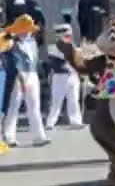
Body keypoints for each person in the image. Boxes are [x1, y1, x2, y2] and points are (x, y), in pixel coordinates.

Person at [2, 15, 48, 147]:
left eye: (29, 29)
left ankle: (39, 136)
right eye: (25, 29)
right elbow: (14, 63)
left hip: (32, 75)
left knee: (34, 107)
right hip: (17, 76)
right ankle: (9, 136)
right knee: (13, 107)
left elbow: (34, 60)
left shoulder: (32, 41)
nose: (27, 32)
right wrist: (22, 80)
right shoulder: (10, 43)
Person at [45, 20, 84, 131]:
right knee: (57, 101)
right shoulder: (53, 47)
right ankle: (50, 122)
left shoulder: (73, 46)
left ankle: (76, 121)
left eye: (68, 34)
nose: (67, 36)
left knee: (74, 100)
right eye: (64, 34)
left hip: (73, 76)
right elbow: (60, 59)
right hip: (60, 77)